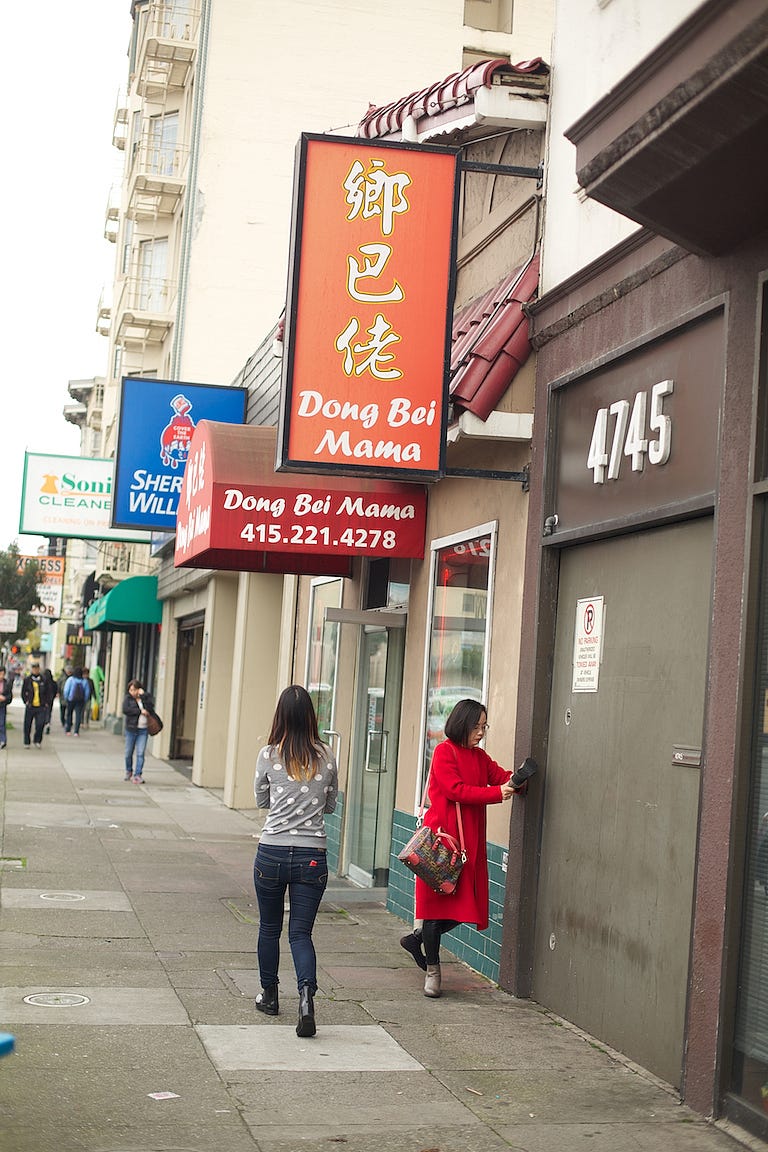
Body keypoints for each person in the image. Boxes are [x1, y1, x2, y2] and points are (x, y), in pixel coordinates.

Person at [400, 698, 519, 999]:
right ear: (461, 724)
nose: (480, 732)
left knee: (468, 907)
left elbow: (500, 776)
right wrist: (497, 793)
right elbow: (456, 790)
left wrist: (518, 780)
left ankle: (419, 939)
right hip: (442, 846)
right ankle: (433, 971)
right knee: (434, 910)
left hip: (470, 847)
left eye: (484, 726)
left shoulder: (479, 758)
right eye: (476, 726)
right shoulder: (444, 752)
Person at [252, 684, 338, 1038]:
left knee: (269, 928)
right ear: (311, 718)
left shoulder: (268, 754)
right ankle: (306, 998)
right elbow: (331, 805)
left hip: (271, 852)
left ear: (281, 716)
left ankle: (269, 996)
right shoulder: (327, 755)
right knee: (301, 933)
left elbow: (261, 799)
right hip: (312, 856)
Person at [122, 679, 155, 783]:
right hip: (131, 729)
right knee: (128, 753)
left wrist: (144, 695)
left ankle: (138, 774)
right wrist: (140, 711)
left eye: (135, 690)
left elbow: (151, 706)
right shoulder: (128, 699)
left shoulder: (144, 698)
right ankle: (129, 771)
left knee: (140, 753)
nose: (133, 692)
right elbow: (126, 710)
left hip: (143, 730)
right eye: (131, 690)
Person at [21, 661, 48, 748]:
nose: (35, 670)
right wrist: (26, 701)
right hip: (30, 706)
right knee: (27, 725)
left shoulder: (44, 679)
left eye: (37, 668)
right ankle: (27, 742)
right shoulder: (28, 680)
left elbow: (49, 692)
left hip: (41, 706)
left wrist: (47, 702)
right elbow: (23, 692)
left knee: (40, 724)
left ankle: (37, 740)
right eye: (34, 668)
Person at [63, 666, 91, 737]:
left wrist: (66, 698)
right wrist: (85, 699)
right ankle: (76, 731)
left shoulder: (71, 679)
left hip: (71, 700)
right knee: (78, 715)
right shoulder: (84, 681)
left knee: (69, 714)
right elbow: (87, 692)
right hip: (80, 701)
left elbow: (66, 690)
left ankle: (68, 730)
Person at [41, 669, 57, 735]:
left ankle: (43, 723)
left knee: (42, 713)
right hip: (50, 700)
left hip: (43, 700)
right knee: (49, 712)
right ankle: (48, 723)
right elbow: (56, 690)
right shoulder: (53, 682)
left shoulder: (42, 682)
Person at [0, 666, 12, 749]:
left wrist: (4, 698)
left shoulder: (7, 683)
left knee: (1, 723)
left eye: (2, 674)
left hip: (2, 706)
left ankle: (3, 740)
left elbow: (9, 696)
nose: (1, 676)